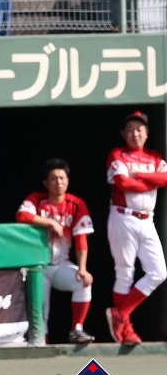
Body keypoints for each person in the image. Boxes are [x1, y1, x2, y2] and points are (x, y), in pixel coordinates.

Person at [15, 158, 95, 345]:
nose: (58, 182)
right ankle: (41, 344)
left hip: (61, 264)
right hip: (38, 267)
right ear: (46, 182)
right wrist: (50, 222)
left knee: (83, 282)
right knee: (42, 313)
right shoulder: (37, 199)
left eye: (62, 178)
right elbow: (21, 215)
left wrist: (82, 268)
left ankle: (77, 329)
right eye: (53, 178)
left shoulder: (76, 203)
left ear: (68, 180)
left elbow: (81, 238)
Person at [106, 110, 167, 345]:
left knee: (159, 273)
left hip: (147, 219)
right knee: (125, 271)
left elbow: (165, 179)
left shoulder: (154, 156)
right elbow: (122, 182)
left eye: (139, 129)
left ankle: (121, 313)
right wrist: (150, 182)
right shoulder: (118, 153)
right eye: (130, 129)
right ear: (123, 133)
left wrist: (139, 175)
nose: (135, 133)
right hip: (124, 216)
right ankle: (126, 328)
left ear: (147, 132)